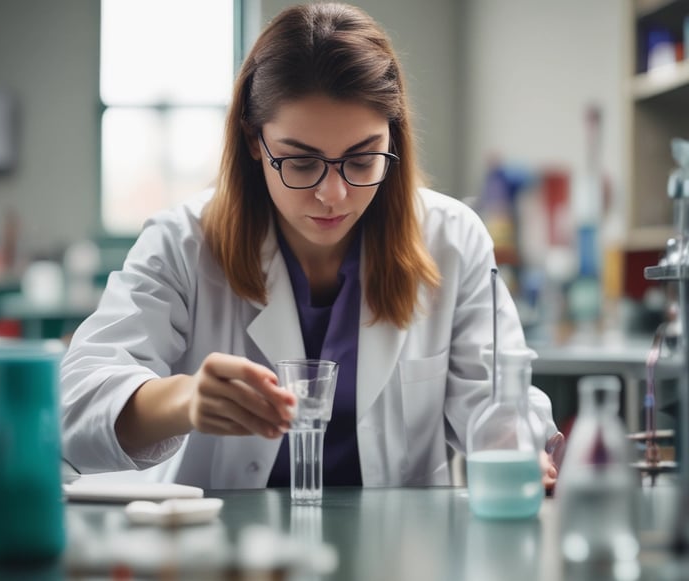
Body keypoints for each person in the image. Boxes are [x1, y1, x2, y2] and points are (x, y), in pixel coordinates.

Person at [61, 2, 560, 490]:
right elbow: (73, 407)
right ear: (254, 141)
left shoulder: (453, 239)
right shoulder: (181, 243)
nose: (333, 194)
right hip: (224, 541)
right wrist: (184, 400)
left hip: (402, 540)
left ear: (393, 139)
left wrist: (516, 448)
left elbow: (498, 399)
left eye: (362, 160)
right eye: (301, 163)